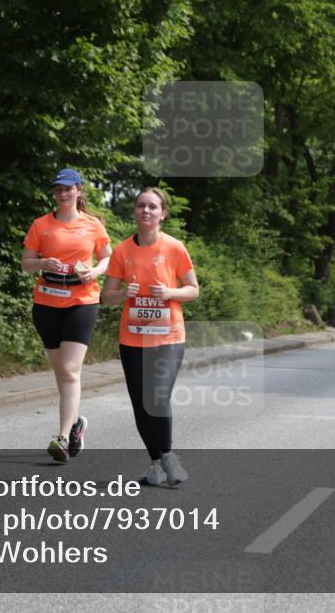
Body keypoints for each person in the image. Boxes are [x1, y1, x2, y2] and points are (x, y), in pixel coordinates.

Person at [102, 187, 199, 486]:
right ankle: (156, 464)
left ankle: (168, 456)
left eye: (152, 207)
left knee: (157, 397)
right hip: (133, 339)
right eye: (141, 205)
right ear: (135, 211)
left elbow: (193, 290)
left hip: (168, 337)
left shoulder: (174, 247)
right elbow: (106, 297)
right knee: (140, 404)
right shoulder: (122, 251)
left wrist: (169, 292)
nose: (146, 210)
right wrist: (123, 294)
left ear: (162, 214)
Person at [22, 168, 112, 462]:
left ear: (78, 190)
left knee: (71, 370)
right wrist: (43, 263)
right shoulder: (41, 225)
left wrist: (94, 272)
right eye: (58, 189)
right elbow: (26, 263)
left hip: (82, 301)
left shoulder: (93, 225)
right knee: (61, 372)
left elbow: (107, 257)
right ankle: (76, 424)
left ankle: (61, 437)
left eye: (68, 189)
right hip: (46, 303)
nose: (63, 194)